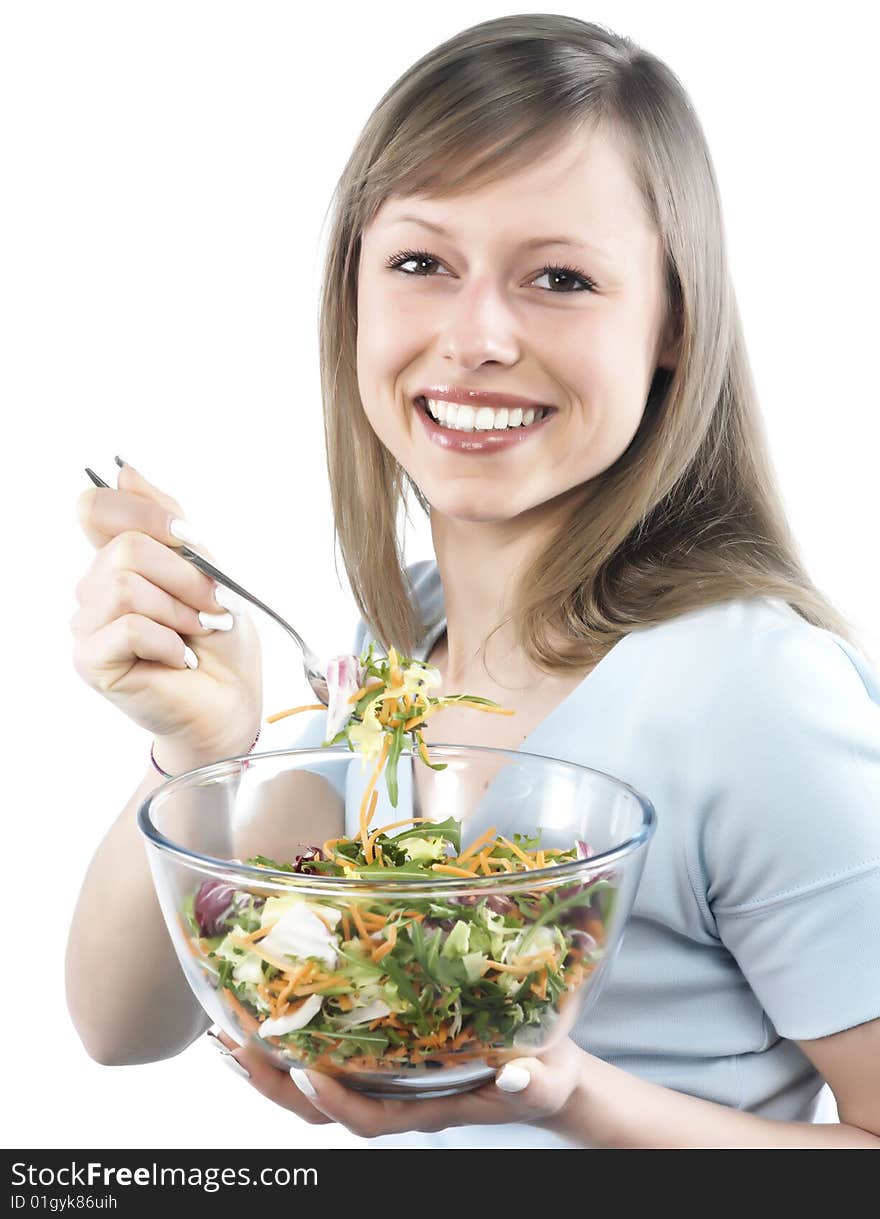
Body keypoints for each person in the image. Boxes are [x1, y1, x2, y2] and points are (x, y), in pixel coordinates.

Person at [67, 15, 880, 1148]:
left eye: (559, 276)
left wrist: (572, 1093)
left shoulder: (754, 696)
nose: (475, 335)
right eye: (420, 263)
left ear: (672, 327)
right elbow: (122, 1025)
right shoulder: (400, 645)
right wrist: (207, 750)